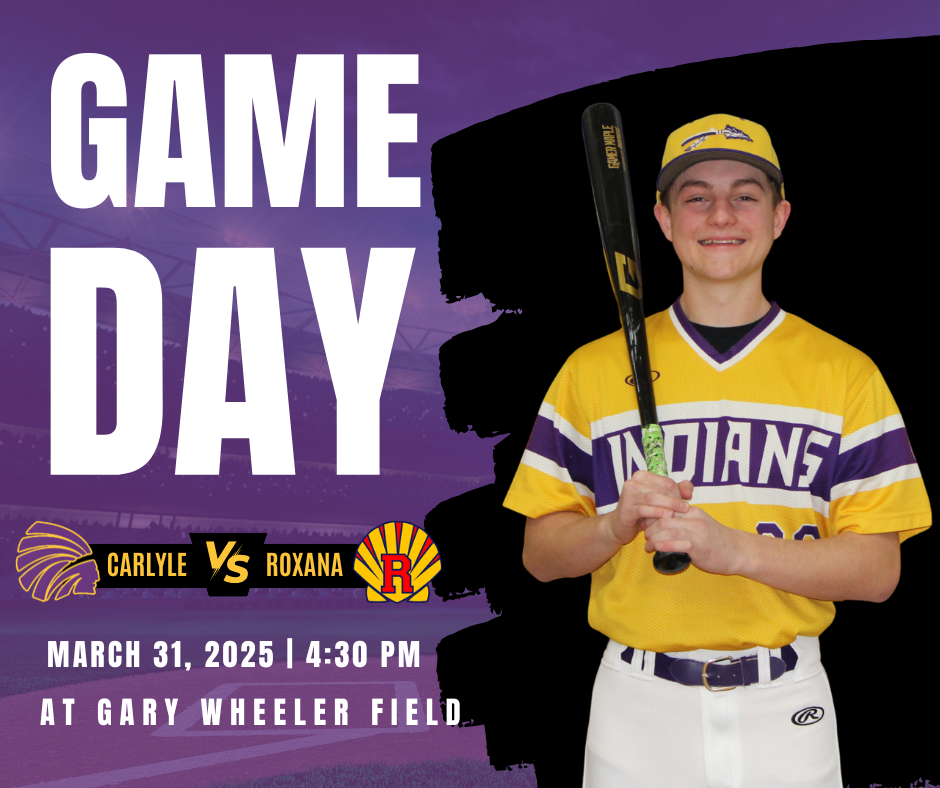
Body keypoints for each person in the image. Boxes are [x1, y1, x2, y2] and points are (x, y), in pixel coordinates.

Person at [503, 113, 931, 788]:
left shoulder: (846, 373)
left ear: (780, 215)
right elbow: (540, 557)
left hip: (787, 703)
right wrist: (615, 526)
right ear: (664, 219)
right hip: (635, 708)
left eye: (746, 194)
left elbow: (877, 572)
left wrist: (735, 552)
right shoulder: (590, 370)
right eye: (696, 196)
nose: (721, 213)